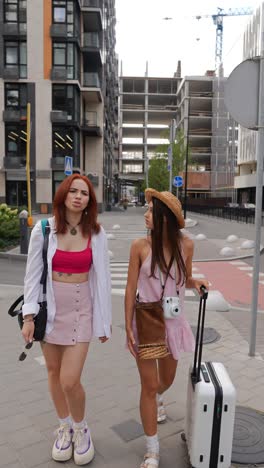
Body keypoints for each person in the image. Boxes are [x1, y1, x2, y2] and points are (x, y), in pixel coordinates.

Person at [21, 174, 112, 466]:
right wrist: (29, 316)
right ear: (63, 195)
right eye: (73, 191)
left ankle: (81, 428)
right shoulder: (45, 229)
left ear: (89, 201)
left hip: (81, 308)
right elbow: (33, 276)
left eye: (84, 193)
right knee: (52, 372)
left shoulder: (97, 233)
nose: (78, 196)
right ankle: (64, 426)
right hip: (51, 309)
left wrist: (104, 322)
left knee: (70, 380)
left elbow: (103, 281)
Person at [125, 189, 209, 468]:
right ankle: (152, 448)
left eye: (150, 211)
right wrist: (128, 324)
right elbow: (130, 287)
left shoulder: (186, 245)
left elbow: (183, 278)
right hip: (147, 323)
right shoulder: (140, 246)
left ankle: (158, 397)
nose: (145, 215)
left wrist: (195, 282)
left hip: (173, 322)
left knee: (167, 380)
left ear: (165, 219)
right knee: (147, 386)